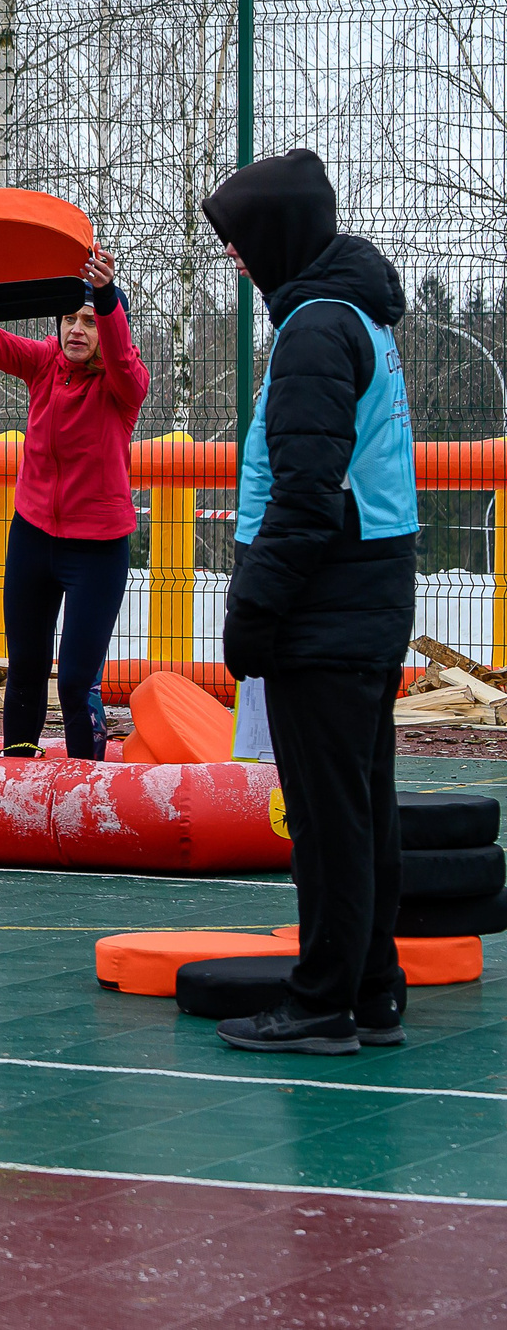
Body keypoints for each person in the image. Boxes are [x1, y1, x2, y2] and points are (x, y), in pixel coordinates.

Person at [203, 148, 417, 1055]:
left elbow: (305, 495)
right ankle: (372, 984)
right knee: (361, 805)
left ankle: (322, 1000)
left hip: (325, 613)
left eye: (242, 241)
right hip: (367, 599)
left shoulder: (315, 333)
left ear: (278, 236)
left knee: (327, 821)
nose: (236, 259)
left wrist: (254, 610)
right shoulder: (354, 316)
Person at [0, 248, 145, 759]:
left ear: (106, 328)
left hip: (97, 551)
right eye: (67, 319)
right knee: (28, 667)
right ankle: (18, 768)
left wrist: (106, 297)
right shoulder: (43, 363)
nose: (76, 330)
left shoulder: (124, 385)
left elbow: (123, 358)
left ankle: (88, 782)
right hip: (33, 537)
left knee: (78, 679)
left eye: (88, 321)